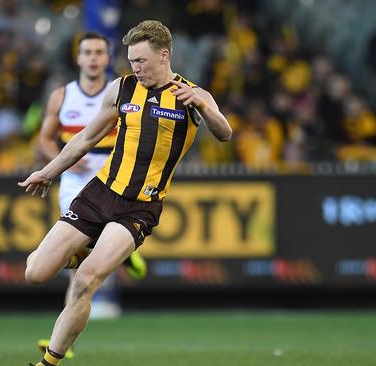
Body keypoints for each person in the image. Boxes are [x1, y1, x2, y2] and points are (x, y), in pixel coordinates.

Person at [19, 20, 232, 366]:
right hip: (100, 192)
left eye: (142, 61)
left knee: (86, 282)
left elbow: (225, 133)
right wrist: (47, 172)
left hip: (140, 207)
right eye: (132, 61)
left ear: (164, 56)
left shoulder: (193, 95)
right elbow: (85, 139)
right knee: (36, 273)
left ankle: (48, 363)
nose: (136, 68)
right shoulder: (121, 89)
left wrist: (205, 108)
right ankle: (90, 254)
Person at [35, 31, 147, 358]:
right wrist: (62, 157)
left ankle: (61, 343)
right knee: (78, 262)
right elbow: (44, 139)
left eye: (100, 52)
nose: (94, 57)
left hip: (115, 181)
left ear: (107, 58)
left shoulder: (123, 91)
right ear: (79, 58)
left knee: (83, 266)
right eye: (88, 52)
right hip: (74, 182)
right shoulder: (62, 96)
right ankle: (118, 252)